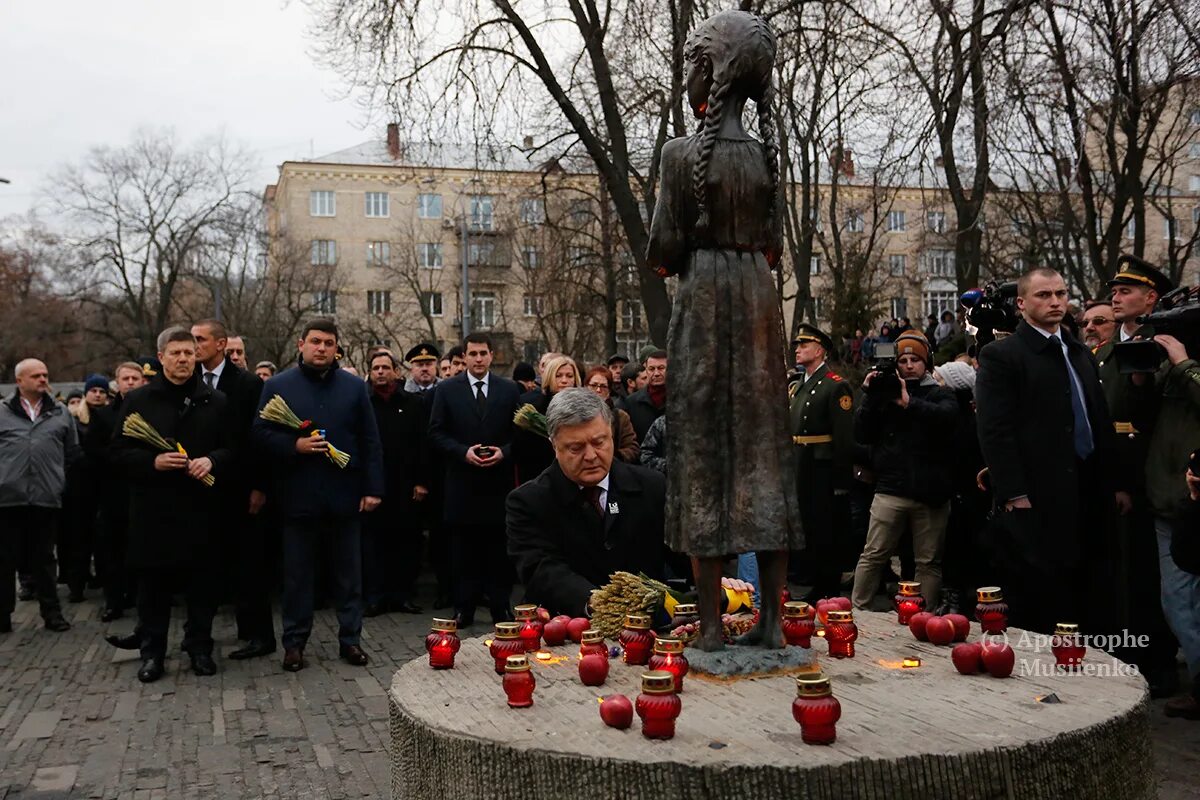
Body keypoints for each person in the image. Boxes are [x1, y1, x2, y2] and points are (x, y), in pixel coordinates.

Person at [645, 10, 799, 650]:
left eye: (692, 60)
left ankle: (709, 627)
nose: (687, 72)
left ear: (713, 69)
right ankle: (770, 624)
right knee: (765, 448)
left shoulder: (680, 156)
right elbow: (769, 242)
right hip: (758, 306)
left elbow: (664, 243)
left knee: (703, 452)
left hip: (705, 303)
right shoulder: (766, 159)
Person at [974, 268, 1125, 634]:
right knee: (1043, 596)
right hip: (1038, 494)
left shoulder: (1079, 353)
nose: (1055, 301)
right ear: (1022, 304)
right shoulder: (1003, 355)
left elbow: (1099, 421)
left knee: (1092, 587)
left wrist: (1117, 483)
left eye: (1060, 293)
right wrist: (1013, 492)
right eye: (1044, 295)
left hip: (1089, 488)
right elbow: (995, 430)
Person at [252, 319, 385, 672]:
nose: (321, 348)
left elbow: (370, 440)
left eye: (328, 343)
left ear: (336, 348)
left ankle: (351, 640)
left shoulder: (355, 388)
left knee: (348, 575)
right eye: (315, 342)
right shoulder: (279, 386)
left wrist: (373, 488)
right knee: (297, 576)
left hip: (345, 496)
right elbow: (260, 434)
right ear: (301, 344)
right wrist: (294, 444)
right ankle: (294, 643)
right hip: (298, 497)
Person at [110, 328, 232, 681]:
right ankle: (152, 653)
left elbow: (234, 449)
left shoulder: (215, 401)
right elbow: (116, 453)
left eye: (189, 353)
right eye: (176, 353)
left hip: (201, 510)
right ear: (160, 357)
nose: (183, 359)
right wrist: (152, 463)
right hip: (154, 511)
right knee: (153, 588)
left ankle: (199, 648)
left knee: (202, 586)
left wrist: (212, 461)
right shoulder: (139, 401)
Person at [1091, 258, 1180, 698]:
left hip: (1153, 473)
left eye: (1127, 290)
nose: (1117, 295)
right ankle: (1125, 654)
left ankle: (1159, 663)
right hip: (1115, 475)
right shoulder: (1104, 353)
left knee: (1151, 578)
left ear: (1150, 299)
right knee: (1120, 573)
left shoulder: (1165, 344)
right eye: (1115, 289)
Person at [506, 388, 666, 616]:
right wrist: (597, 603)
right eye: (576, 448)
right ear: (554, 445)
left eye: (599, 442)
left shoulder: (652, 487)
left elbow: (680, 555)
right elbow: (541, 569)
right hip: (565, 629)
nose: (591, 456)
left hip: (646, 627)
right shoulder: (528, 501)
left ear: (611, 434)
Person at [851, 332, 957, 611]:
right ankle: (856, 611)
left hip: (930, 492)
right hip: (891, 488)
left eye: (916, 360)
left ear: (927, 363)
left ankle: (925, 617)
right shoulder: (882, 395)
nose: (909, 365)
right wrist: (869, 396)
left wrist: (910, 404)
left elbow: (948, 419)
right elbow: (861, 433)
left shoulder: (940, 393)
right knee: (873, 554)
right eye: (903, 360)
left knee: (928, 562)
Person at [192, 318, 276, 660]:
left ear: (220, 344)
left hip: (242, 487)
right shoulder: (191, 381)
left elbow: (259, 438)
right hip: (203, 489)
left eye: (200, 339)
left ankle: (260, 636)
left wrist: (260, 487)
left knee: (250, 566)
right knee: (209, 564)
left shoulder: (247, 384)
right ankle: (200, 636)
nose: (194, 345)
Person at [428, 332, 522, 626]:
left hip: (497, 485)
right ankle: (463, 608)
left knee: (498, 550)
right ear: (464, 356)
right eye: (473, 354)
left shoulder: (509, 390)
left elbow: (520, 435)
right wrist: (461, 452)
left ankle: (500, 607)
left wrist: (504, 453)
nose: (479, 359)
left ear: (492, 355)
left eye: (483, 353)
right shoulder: (447, 390)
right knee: (463, 552)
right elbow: (435, 432)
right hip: (462, 484)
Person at [0, 359, 77, 634]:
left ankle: (52, 613)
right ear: (19, 381)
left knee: (44, 559)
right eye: (36, 376)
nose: (43, 379)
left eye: (45, 374)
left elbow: (71, 452)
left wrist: (56, 480)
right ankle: (2, 614)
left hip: (45, 496)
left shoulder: (60, 412)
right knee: (4, 560)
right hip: (7, 498)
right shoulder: (2, 413)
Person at [788, 325, 855, 603]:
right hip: (801, 463)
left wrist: (841, 480)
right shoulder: (799, 384)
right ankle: (811, 579)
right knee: (806, 524)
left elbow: (843, 437)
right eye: (797, 345)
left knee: (824, 526)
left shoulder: (834, 384)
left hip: (822, 466)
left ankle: (827, 585)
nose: (798, 349)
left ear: (819, 350)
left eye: (804, 345)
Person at [364, 351, 429, 616]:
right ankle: (376, 597)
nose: (381, 372)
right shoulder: (363, 403)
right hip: (375, 485)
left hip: (406, 484)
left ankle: (402, 595)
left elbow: (423, 444)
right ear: (369, 372)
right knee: (374, 543)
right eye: (376, 367)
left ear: (395, 372)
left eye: (385, 367)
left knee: (406, 541)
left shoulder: (413, 403)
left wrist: (422, 481)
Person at [89, 361, 150, 623]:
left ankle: (140, 597)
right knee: (112, 551)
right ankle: (114, 601)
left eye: (135, 378)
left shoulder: (151, 412)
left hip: (145, 491)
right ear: (117, 382)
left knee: (142, 548)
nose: (131, 382)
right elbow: (93, 452)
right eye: (125, 378)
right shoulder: (103, 416)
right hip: (114, 492)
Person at [514, 355, 581, 484]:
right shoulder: (533, 408)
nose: (564, 380)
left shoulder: (583, 407)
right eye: (558, 375)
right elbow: (521, 450)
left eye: (569, 376)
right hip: (540, 476)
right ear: (549, 377)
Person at [583, 366, 638, 462]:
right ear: (585, 387)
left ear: (609, 391)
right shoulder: (574, 415)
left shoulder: (620, 417)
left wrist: (612, 456)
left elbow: (632, 449)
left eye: (603, 386)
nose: (598, 390)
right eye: (594, 385)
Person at [621, 350, 667, 443]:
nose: (656, 373)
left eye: (661, 368)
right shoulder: (631, 403)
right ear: (646, 371)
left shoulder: (680, 400)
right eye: (651, 369)